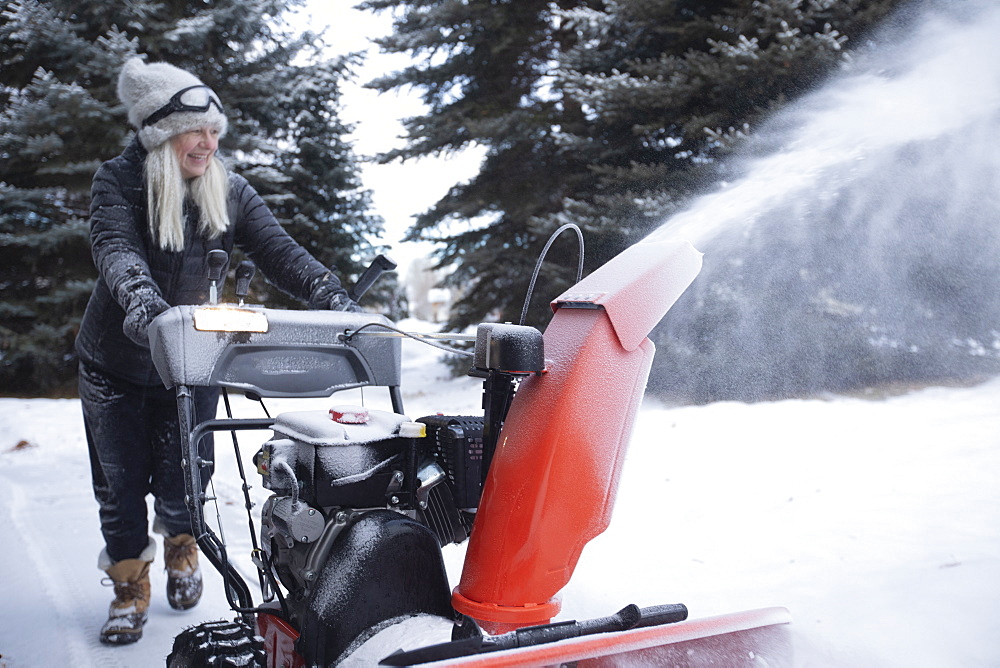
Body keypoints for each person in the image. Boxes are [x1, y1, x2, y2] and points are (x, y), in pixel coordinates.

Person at [75, 57, 362, 645]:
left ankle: (183, 545)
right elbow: (115, 248)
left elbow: (281, 252)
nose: (209, 142)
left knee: (188, 475)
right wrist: (145, 309)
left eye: (215, 131)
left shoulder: (228, 189)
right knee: (121, 487)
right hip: (117, 364)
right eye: (196, 130)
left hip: (190, 359)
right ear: (161, 131)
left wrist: (331, 293)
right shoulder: (119, 180)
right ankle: (130, 582)